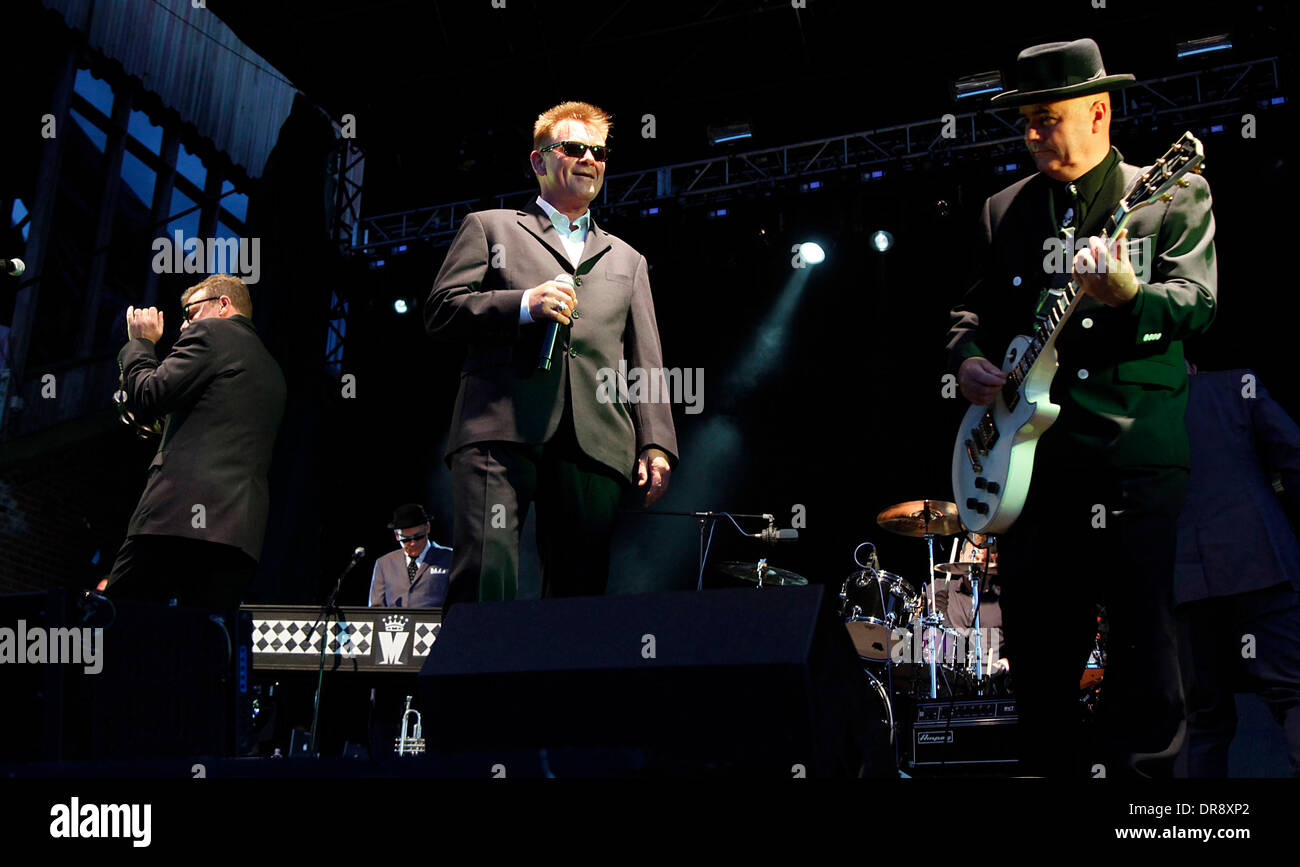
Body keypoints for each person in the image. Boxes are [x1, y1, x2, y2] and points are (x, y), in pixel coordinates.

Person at [946, 38, 1217, 776]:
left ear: (1099, 111)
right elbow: (968, 310)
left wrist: (1132, 296)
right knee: (1039, 661)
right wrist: (965, 358)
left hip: (1131, 455)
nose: (1033, 132)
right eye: (1025, 120)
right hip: (1034, 472)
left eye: (1047, 116)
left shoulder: (1168, 192)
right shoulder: (1005, 208)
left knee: (1145, 657)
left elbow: (1198, 307)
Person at [426, 101, 678, 606]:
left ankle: (562, 686)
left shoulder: (629, 260)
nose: (589, 159)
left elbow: (645, 357)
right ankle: (475, 681)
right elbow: (441, 312)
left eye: (599, 152)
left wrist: (656, 442)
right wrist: (523, 304)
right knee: (484, 576)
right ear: (540, 161)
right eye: (574, 148)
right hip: (500, 421)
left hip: (597, 436)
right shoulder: (490, 227)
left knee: (579, 595)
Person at [106, 274, 287, 609]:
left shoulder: (214, 332)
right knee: (199, 645)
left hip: (175, 520)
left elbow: (149, 394)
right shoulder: (272, 369)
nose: (184, 327)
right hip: (238, 534)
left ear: (223, 305)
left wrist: (141, 344)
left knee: (117, 625)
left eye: (190, 313)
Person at [1176, 366, 1300, 776]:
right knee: (1293, 695)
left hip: (1183, 580)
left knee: (1203, 717)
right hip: (1258, 560)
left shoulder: (1140, 411)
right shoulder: (1236, 386)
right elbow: (1294, 455)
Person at [369, 503, 452, 608]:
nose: (412, 543)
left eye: (418, 537)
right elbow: (376, 610)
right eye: (406, 539)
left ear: (427, 527)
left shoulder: (449, 557)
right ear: (396, 535)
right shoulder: (384, 563)